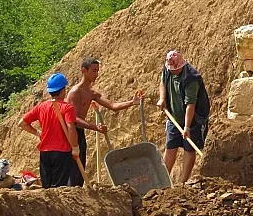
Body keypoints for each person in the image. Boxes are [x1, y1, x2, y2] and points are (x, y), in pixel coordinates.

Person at [66, 56, 144, 186]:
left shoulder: (92, 93)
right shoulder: (75, 92)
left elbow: (112, 106)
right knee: (73, 169)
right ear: (83, 71)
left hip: (80, 132)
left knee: (80, 170)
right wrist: (95, 127)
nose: (96, 74)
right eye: (93, 70)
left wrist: (132, 102)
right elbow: (73, 119)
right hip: (71, 132)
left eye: (97, 70)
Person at [157, 50, 210, 184]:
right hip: (174, 117)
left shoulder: (191, 78)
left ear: (181, 65)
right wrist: (162, 99)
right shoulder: (168, 67)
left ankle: (182, 183)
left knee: (189, 148)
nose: (173, 71)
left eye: (175, 70)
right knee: (170, 147)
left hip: (194, 120)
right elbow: (163, 82)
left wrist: (187, 127)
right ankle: (163, 182)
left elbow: (190, 105)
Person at [18, 72, 79, 188]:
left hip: (45, 153)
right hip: (62, 153)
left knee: (47, 190)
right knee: (58, 189)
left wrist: (37, 133)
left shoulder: (41, 106)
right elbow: (71, 128)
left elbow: (22, 123)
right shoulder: (67, 107)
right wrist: (75, 147)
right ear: (63, 90)